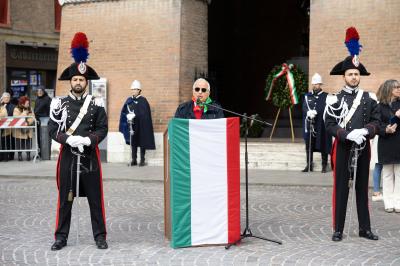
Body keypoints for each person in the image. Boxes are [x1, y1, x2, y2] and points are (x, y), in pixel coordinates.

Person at [48, 32, 108, 250]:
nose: (78, 82)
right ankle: (61, 237)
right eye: (75, 79)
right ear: (70, 82)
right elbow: (52, 129)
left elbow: (103, 128)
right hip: (68, 157)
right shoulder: (58, 103)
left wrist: (89, 140)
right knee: (65, 199)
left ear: (86, 82)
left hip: (90, 156)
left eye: (82, 79)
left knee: (95, 199)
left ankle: (100, 236)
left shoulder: (96, 104)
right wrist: (68, 140)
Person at [324, 27, 379, 241]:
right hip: (344, 147)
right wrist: (346, 134)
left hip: (363, 147)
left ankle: (364, 228)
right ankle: (338, 228)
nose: (354, 77)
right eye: (350, 74)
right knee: (341, 189)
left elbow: (376, 121)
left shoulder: (368, 98)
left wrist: (366, 130)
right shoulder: (334, 99)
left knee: (362, 188)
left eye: (356, 74)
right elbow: (329, 124)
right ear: (344, 76)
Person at [376, 79, 400, 212]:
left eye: (399, 87)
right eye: (395, 87)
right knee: (387, 174)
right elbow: (377, 125)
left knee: (399, 173)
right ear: (388, 89)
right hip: (386, 142)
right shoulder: (380, 106)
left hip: (398, 142)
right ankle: (388, 202)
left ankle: (398, 202)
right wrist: (386, 129)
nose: (398, 89)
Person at [119, 80, 155, 166]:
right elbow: (124, 111)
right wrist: (128, 117)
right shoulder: (129, 100)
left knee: (142, 141)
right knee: (133, 142)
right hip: (132, 125)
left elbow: (145, 114)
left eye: (135, 89)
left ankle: (142, 160)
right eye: (133, 89)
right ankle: (133, 159)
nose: (134, 91)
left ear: (139, 90)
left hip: (142, 125)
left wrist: (138, 116)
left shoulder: (143, 100)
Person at [301, 73, 332, 173]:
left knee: (323, 143)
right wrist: (308, 112)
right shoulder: (307, 96)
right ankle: (309, 164)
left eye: (317, 84)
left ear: (320, 84)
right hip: (310, 125)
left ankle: (324, 164)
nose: (315, 86)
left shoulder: (326, 96)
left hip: (321, 125)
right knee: (309, 145)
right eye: (313, 84)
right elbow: (304, 107)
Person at [13, 96, 35, 161]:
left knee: (28, 142)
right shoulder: (16, 109)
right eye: (27, 103)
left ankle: (28, 155)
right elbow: (16, 118)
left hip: (28, 129)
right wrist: (23, 114)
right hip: (19, 130)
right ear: (22, 103)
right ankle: (20, 155)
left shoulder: (30, 109)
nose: (28, 104)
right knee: (19, 143)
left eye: (28, 103)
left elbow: (33, 117)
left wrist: (28, 122)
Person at [34, 87, 52, 158]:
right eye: (38, 91)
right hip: (38, 121)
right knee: (39, 137)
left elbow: (50, 110)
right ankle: (40, 152)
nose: (39, 92)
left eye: (41, 91)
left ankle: (45, 153)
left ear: (44, 91)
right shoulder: (37, 99)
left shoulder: (47, 99)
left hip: (45, 121)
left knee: (45, 137)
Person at [0, 92, 15, 161]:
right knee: (2, 142)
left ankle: (10, 156)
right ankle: (2, 156)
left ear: (9, 98)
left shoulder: (13, 106)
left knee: (9, 142)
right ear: (2, 98)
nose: (6, 99)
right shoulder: (0, 105)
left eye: (7, 97)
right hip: (1, 127)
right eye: (4, 97)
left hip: (9, 127)